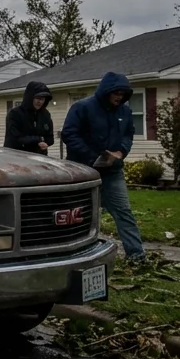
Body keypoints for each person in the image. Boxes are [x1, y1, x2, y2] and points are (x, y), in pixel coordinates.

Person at [62, 72, 144, 259]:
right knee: (79, 214)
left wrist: (121, 152)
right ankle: (75, 253)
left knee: (123, 211)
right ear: (106, 91)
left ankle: (136, 255)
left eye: (123, 94)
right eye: (116, 93)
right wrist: (93, 155)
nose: (119, 97)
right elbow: (69, 134)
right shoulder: (83, 107)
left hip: (112, 172)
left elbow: (128, 135)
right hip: (84, 172)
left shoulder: (125, 111)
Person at [4, 81, 54, 154]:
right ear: (30, 98)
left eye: (42, 99)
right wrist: (38, 140)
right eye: (37, 98)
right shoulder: (15, 114)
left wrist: (44, 142)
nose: (40, 102)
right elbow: (14, 139)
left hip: (40, 157)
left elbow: (50, 138)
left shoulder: (45, 115)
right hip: (18, 156)